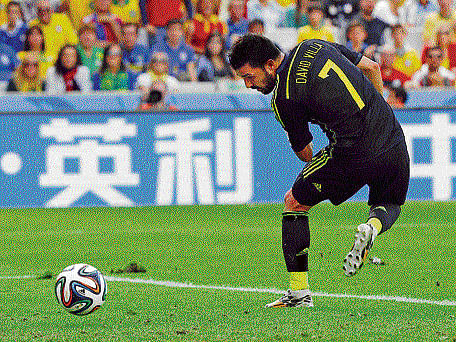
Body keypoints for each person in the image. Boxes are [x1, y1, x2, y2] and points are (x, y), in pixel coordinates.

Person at [229, 34, 410, 307]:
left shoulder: (283, 97)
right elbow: (372, 67)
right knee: (389, 203)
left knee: (294, 202)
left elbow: (306, 153)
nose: (248, 84)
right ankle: (371, 228)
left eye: (249, 76)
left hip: (351, 152)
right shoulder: (314, 44)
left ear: (269, 65)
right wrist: (378, 111)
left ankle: (299, 293)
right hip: (392, 135)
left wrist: (323, 153)